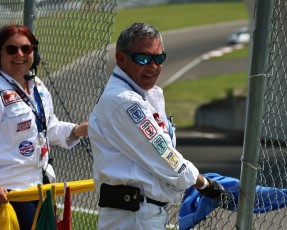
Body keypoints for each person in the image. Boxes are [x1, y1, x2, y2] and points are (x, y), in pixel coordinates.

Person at [88, 22, 226, 230]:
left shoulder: (146, 95)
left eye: (159, 58)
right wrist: (203, 184)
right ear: (121, 59)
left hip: (141, 213)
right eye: (143, 58)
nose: (152, 66)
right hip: (133, 217)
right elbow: (161, 152)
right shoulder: (125, 101)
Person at [0, 24, 88, 230]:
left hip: (39, 185)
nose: (19, 54)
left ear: (34, 53)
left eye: (26, 49)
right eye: (11, 49)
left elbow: (48, 127)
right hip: (7, 191)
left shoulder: (37, 85)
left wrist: (77, 130)